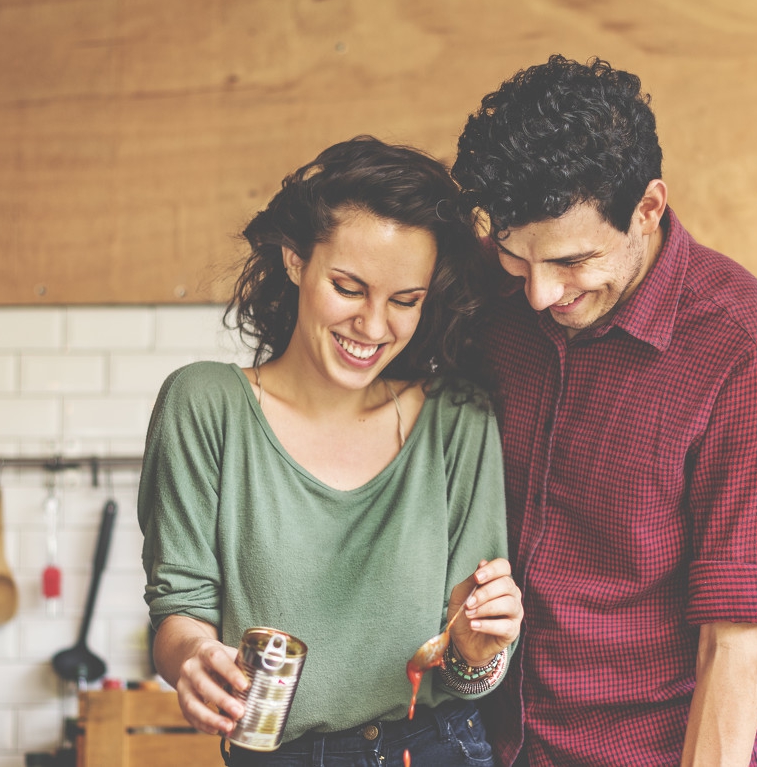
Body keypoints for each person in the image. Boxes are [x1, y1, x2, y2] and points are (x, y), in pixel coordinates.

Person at [449, 55, 757, 766]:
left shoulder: (747, 350)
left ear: (648, 208)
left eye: (574, 261)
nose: (541, 295)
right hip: (497, 748)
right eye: (519, 259)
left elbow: (735, 642)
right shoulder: (495, 306)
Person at [138, 135, 524, 766]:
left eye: (405, 301)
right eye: (349, 288)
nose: (373, 328)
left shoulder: (458, 420)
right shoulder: (205, 405)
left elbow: (465, 670)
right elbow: (180, 608)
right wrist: (193, 658)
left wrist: (479, 652)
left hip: (434, 748)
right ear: (295, 260)